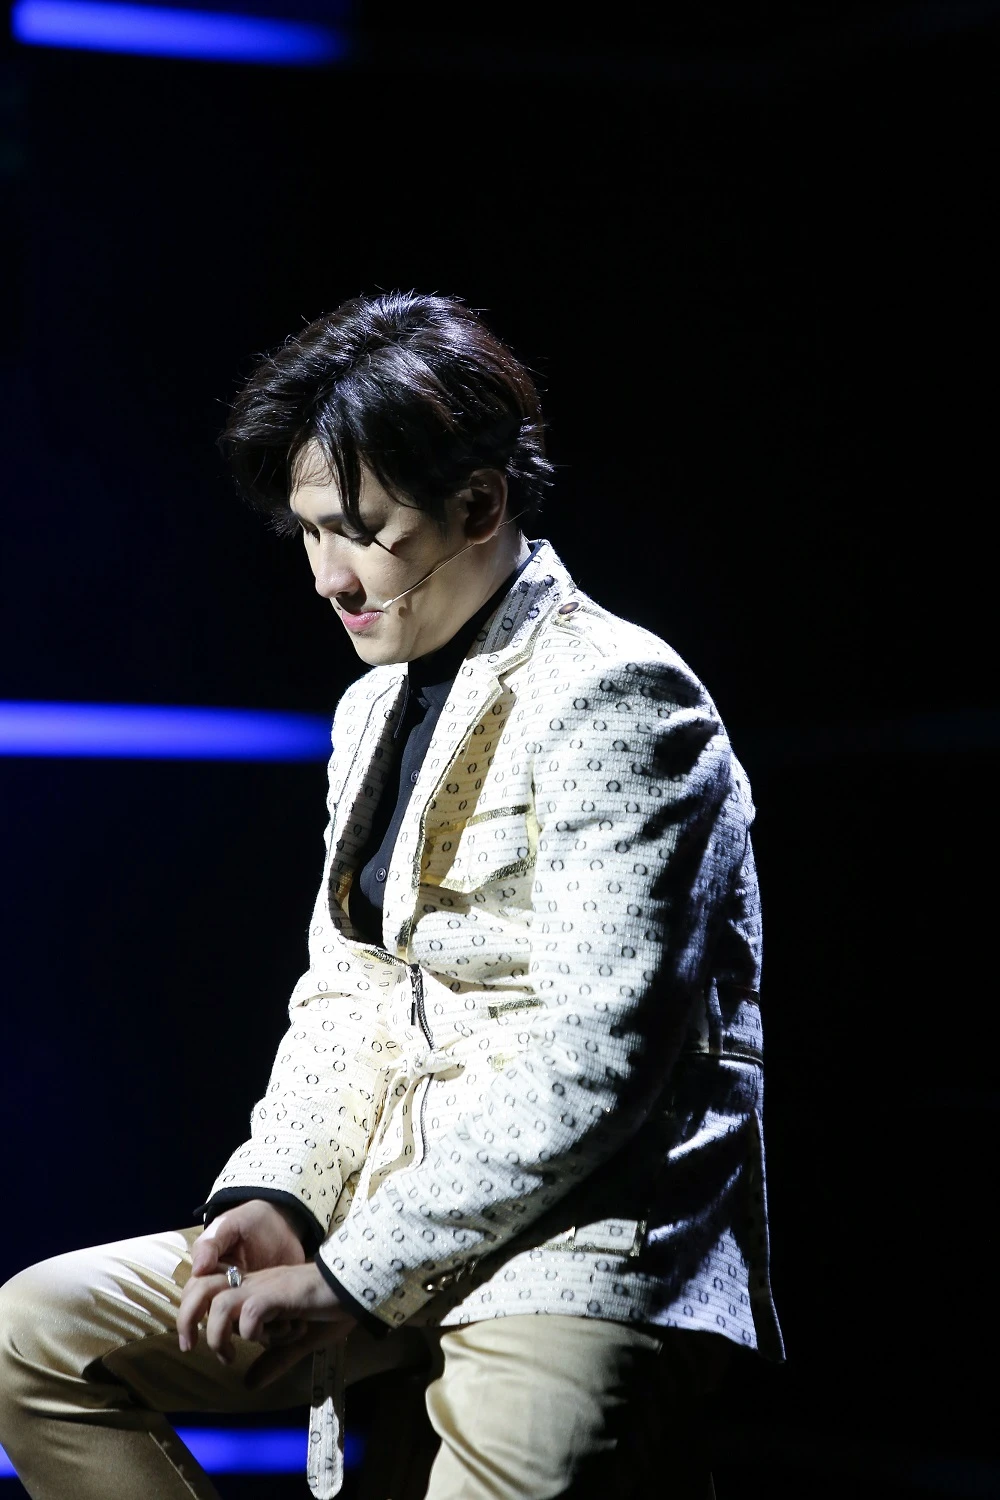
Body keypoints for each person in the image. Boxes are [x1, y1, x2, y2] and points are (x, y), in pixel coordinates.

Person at [0, 291, 783, 1499]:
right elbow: (354, 990)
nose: (329, 575)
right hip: (378, 1228)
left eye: (362, 532)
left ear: (479, 505)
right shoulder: (371, 707)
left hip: (577, 1253)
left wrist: (358, 1270)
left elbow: (596, 1057)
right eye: (310, 533)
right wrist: (280, 1194)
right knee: (35, 1335)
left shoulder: (618, 692)